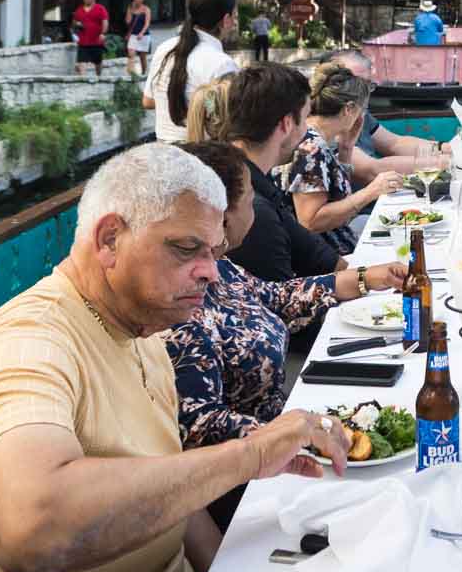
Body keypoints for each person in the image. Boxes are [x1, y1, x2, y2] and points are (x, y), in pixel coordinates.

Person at [0, 143, 354, 572]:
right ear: (110, 238)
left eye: (215, 251)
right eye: (186, 249)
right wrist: (252, 454)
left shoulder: (143, 331)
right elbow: (33, 528)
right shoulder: (27, 347)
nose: (209, 270)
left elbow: (174, 499)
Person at [168, 141, 409, 530]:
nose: (257, 206)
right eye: (250, 195)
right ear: (222, 215)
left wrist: (366, 279)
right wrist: (295, 434)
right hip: (248, 484)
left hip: (284, 443)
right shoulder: (180, 303)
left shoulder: (220, 267)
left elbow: (275, 297)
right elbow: (198, 427)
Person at [219, 64, 342, 284]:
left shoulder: (253, 180)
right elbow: (281, 303)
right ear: (286, 124)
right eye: (304, 120)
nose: (307, 130)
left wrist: (365, 277)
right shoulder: (251, 207)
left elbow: (319, 256)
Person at [287, 62, 404, 254]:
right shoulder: (312, 148)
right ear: (349, 109)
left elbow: (337, 198)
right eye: (361, 110)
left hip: (338, 240)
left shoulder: (316, 139)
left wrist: (346, 149)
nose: (362, 116)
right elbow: (310, 221)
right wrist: (371, 191)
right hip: (327, 254)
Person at [328, 49, 446, 184]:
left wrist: (445, 148)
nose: (363, 92)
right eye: (355, 83)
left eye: (366, 84)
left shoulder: (360, 113)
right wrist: (445, 163)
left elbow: (394, 144)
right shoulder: (328, 124)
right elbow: (372, 170)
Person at [145, 0, 241, 142]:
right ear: (225, 20)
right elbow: (220, 116)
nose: (235, 22)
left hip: (162, 151)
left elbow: (148, 101)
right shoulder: (221, 64)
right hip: (201, 155)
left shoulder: (165, 49)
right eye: (235, 16)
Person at [73, 0, 110, 77]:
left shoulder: (100, 8)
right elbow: (74, 21)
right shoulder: (79, 10)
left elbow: (105, 22)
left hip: (96, 41)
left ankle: (99, 77)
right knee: (81, 61)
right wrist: (77, 24)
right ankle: (82, 80)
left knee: (98, 62)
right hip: (83, 41)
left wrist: (103, 33)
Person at [124, 0, 153, 78]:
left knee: (142, 56)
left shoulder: (146, 9)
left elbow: (147, 23)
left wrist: (141, 33)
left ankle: (144, 73)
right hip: (133, 35)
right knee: (131, 54)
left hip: (144, 36)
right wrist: (129, 10)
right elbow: (128, 22)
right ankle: (131, 73)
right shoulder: (131, 8)